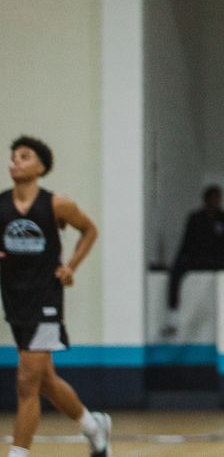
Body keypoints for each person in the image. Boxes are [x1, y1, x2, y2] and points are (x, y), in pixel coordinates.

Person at [1, 136, 110, 457]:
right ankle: (94, 427)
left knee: (26, 381)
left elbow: (89, 230)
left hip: (45, 298)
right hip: (14, 299)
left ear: (41, 167)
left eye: (24, 156)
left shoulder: (56, 204)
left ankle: (18, 454)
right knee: (45, 380)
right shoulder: (2, 206)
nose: (15, 161)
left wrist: (71, 266)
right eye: (12, 157)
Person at [167, 185, 224, 312]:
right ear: (206, 199)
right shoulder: (195, 218)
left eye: (218, 198)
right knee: (177, 270)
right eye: (214, 198)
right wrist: (178, 259)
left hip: (219, 259)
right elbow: (186, 241)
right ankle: (173, 303)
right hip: (197, 258)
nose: (217, 201)